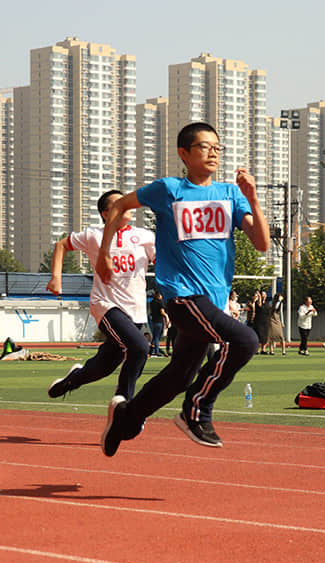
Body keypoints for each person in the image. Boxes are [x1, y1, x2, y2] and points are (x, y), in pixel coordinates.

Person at [95, 121, 270, 455]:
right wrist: (104, 253)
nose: (213, 152)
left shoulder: (231, 194)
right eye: (205, 146)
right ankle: (197, 410)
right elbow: (118, 206)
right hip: (182, 294)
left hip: (213, 301)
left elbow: (261, 243)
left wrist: (253, 199)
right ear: (184, 153)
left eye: (218, 147)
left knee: (178, 376)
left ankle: (126, 416)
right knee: (246, 339)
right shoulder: (168, 189)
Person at [46, 189, 156, 400]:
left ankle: (70, 381)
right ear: (106, 214)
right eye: (118, 204)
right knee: (141, 347)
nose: (125, 206)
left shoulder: (145, 236)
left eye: (126, 202)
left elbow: (162, 263)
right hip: (105, 305)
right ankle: (123, 402)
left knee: (103, 367)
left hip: (136, 311)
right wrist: (56, 277)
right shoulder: (93, 235)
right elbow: (61, 245)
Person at [148, 291, 168, 357]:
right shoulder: (160, 302)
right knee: (157, 337)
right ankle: (156, 351)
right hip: (159, 321)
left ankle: (150, 351)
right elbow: (162, 312)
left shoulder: (152, 302)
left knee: (154, 336)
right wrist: (166, 316)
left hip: (153, 320)